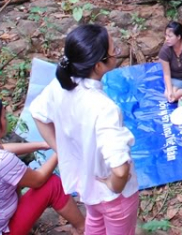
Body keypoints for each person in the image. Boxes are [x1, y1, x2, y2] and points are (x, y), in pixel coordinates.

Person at [30, 24, 139, 235]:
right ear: (99, 66)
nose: (117, 51)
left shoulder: (59, 86)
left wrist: (62, 150)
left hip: (86, 185)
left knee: (95, 223)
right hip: (113, 197)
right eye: (113, 49)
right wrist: (114, 185)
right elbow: (120, 169)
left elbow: (37, 114)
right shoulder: (104, 109)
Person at [0, 95, 84, 235]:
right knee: (53, 184)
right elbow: (39, 179)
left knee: (14, 179)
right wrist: (60, 148)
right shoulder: (2, 162)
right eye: (4, 117)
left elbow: (2, 148)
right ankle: (83, 228)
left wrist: (42, 145)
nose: (6, 120)